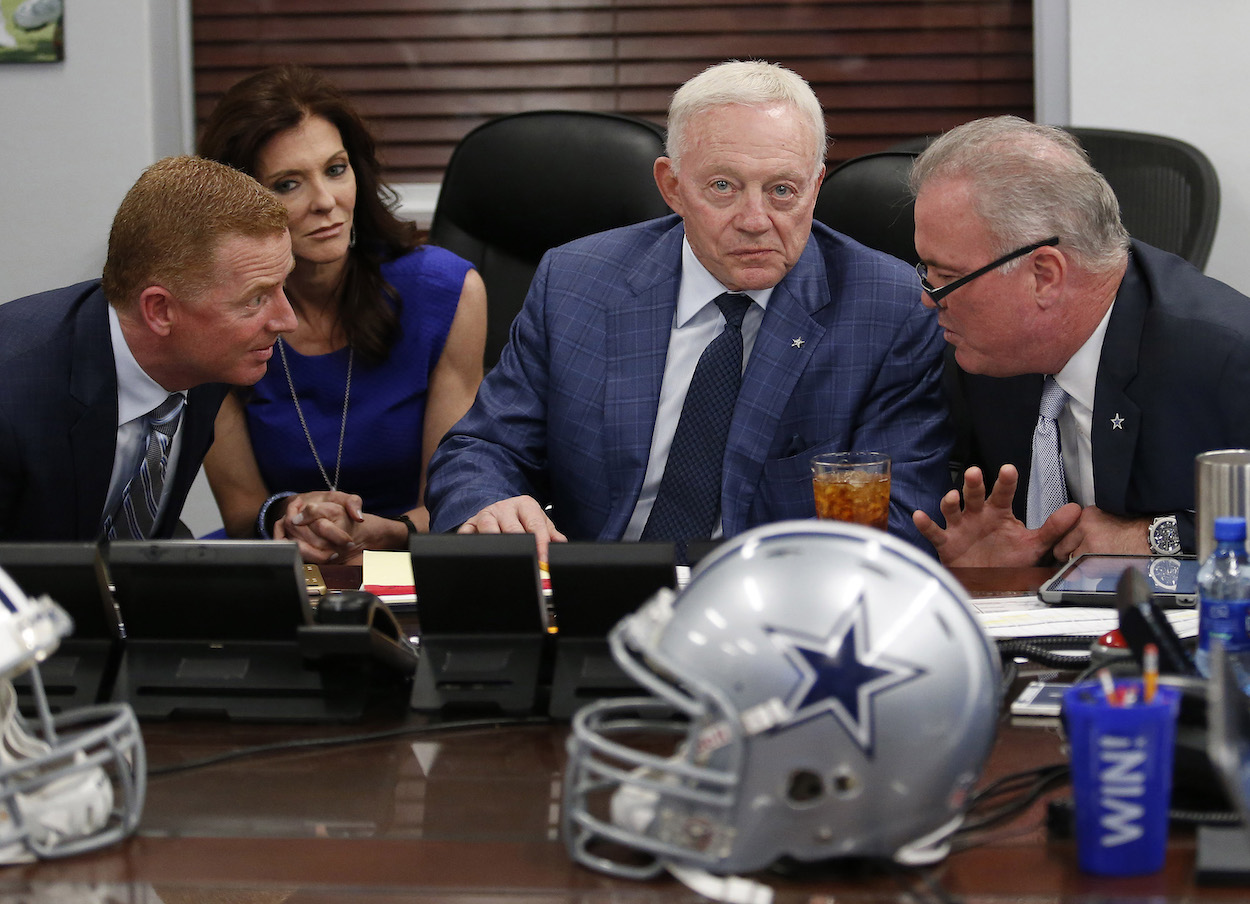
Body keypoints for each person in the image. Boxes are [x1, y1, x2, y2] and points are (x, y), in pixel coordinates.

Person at [426, 60, 952, 560]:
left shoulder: (892, 309)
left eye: (782, 190)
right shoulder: (576, 282)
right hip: (595, 594)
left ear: (815, 189)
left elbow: (902, 514)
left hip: (777, 610)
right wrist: (487, 502)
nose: (755, 219)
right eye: (723, 186)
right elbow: (480, 448)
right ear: (672, 187)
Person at [909, 115, 1250, 566]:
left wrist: (1155, 538)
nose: (929, 300)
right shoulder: (986, 355)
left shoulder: (1226, 355)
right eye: (927, 272)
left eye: (947, 278)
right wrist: (1003, 568)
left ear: (1045, 275)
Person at [198, 64, 487, 564]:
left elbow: (454, 500)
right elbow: (242, 510)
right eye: (288, 184)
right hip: (281, 561)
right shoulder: (213, 314)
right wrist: (289, 513)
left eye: (335, 169)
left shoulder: (445, 292)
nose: (326, 202)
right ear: (239, 203)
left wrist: (390, 533)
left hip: (414, 554)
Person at [0, 155, 296, 541]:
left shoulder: (202, 363)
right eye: (256, 299)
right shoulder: (12, 396)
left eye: (282, 286)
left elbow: (131, 522)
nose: (286, 320)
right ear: (160, 310)